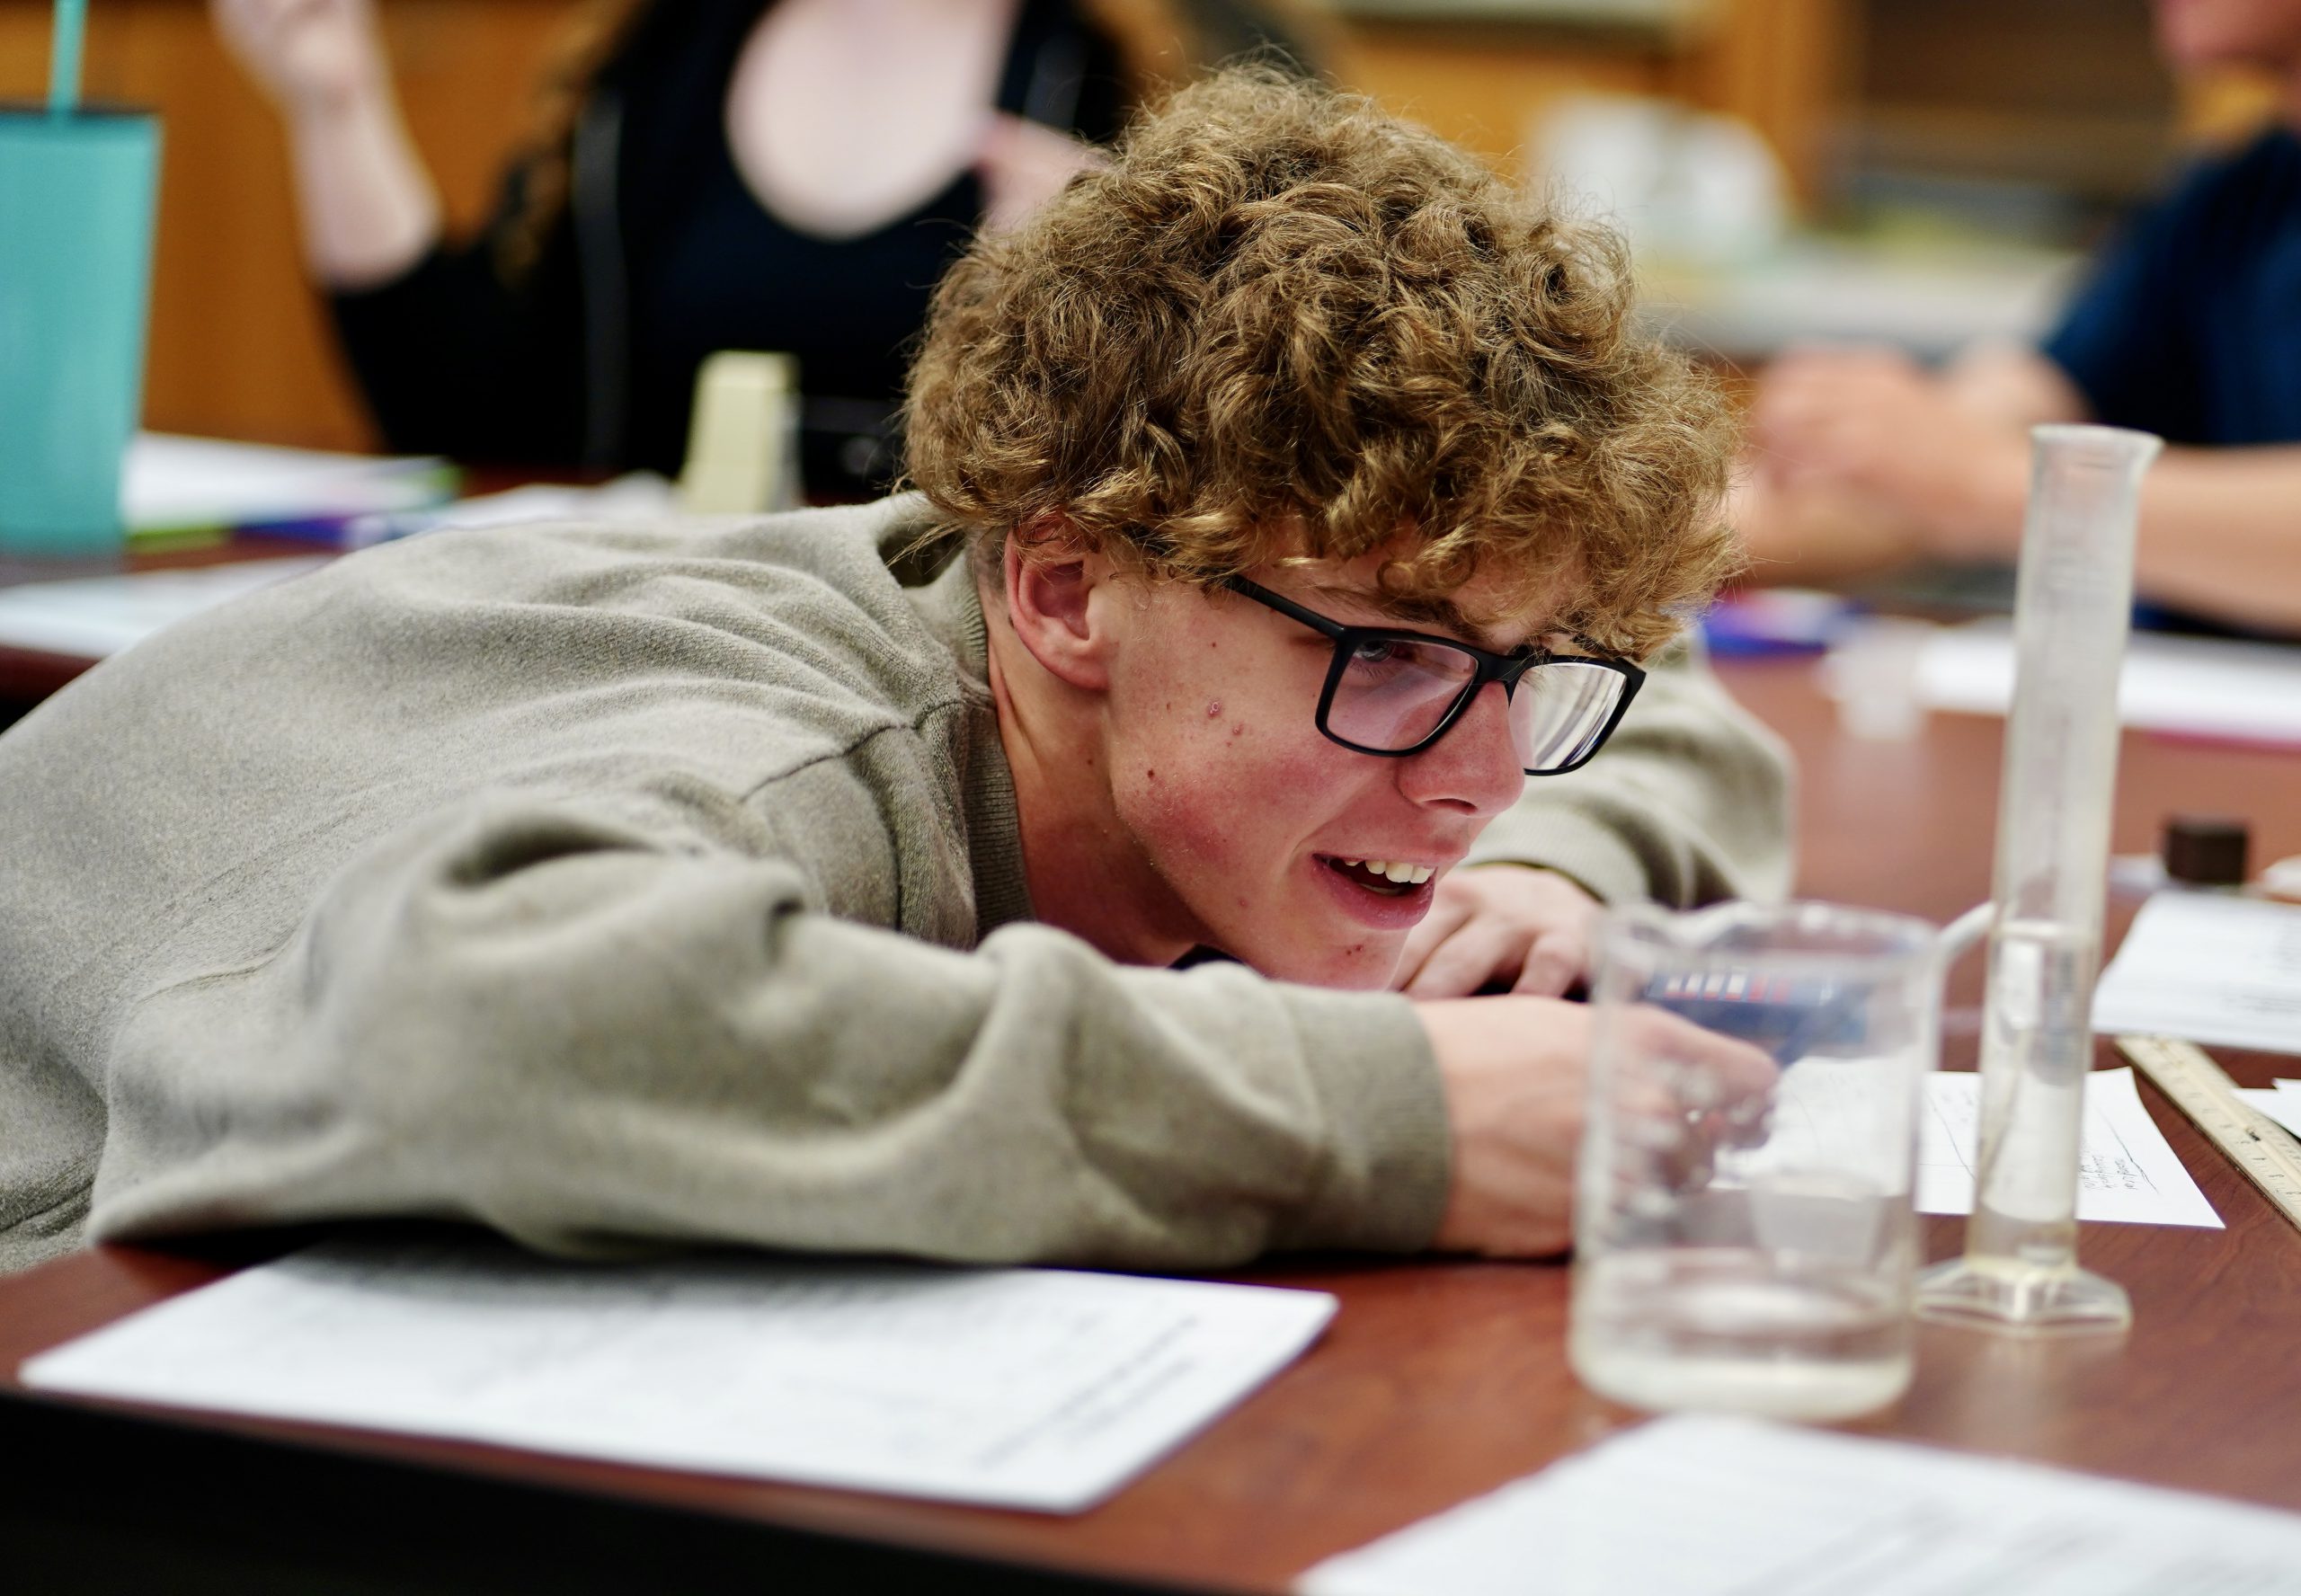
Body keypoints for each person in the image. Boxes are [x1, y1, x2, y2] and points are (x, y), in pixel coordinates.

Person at [0, 69, 1789, 1278]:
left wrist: (1568, 864)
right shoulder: (813, 754)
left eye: (1530, 671)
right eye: (1392, 661)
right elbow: (485, 1022)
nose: (1475, 780)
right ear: (1068, 589)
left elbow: (1668, 683)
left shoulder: (1143, 651)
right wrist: (1378, 1118)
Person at [212, 0, 1322, 498]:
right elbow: (473, 416)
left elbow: (1293, 457)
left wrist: (1121, 298)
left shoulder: (1183, 64)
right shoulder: (656, 58)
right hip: (661, 657)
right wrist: (337, 109)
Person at [1736, 0, 2301, 635]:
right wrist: (1685, 526)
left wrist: (1985, 482)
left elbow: (1971, 472)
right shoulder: (2242, 198)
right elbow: (1992, 421)